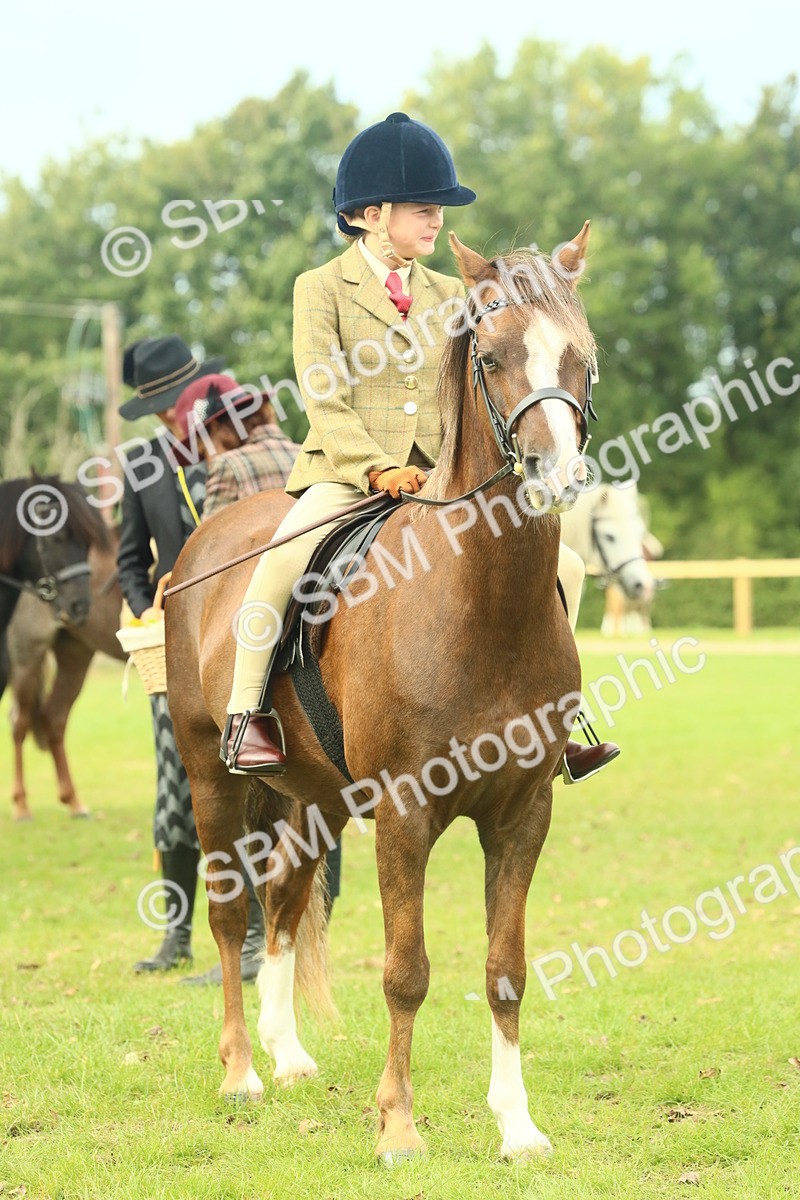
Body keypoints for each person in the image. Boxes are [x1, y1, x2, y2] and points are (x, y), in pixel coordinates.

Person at [220, 112, 618, 783]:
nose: (436, 222)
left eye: (438, 212)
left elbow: (481, 382)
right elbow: (323, 395)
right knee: (276, 569)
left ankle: (556, 721)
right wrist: (374, 466)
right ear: (373, 215)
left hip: (442, 478)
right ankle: (246, 716)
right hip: (348, 473)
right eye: (423, 210)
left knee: (569, 566)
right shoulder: (319, 289)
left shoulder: (453, 293)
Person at [118, 335, 220, 972]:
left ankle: (260, 933)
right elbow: (131, 560)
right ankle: (176, 937)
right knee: (174, 794)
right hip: (170, 651)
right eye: (154, 406)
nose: (164, 415)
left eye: (167, 402)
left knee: (251, 785)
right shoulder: (141, 463)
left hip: (240, 638)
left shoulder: (239, 441)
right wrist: (145, 607)